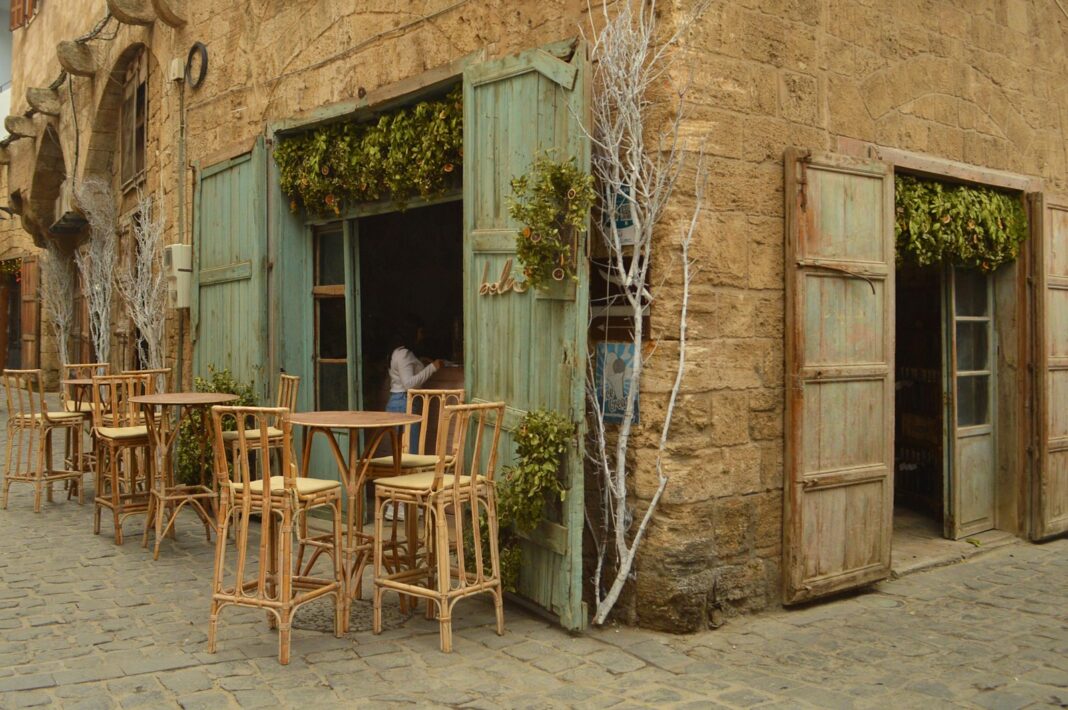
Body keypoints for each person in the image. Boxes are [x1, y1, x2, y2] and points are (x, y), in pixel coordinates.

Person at [386, 315, 442, 450]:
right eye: (420, 331)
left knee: (398, 451)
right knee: (411, 450)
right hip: (405, 402)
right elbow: (409, 384)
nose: (421, 336)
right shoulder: (404, 354)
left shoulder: (396, 352)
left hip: (396, 401)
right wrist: (433, 367)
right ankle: (411, 472)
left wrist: (419, 363)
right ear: (412, 332)